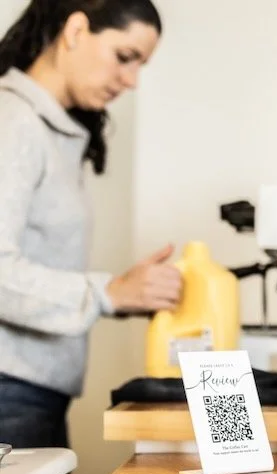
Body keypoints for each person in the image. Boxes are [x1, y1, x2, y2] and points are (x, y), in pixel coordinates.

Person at [0, 0, 182, 449]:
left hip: (29, 392)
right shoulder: (13, 122)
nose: (132, 81)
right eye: (125, 57)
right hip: (9, 391)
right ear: (76, 30)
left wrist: (123, 294)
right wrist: (106, 292)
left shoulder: (51, 130)